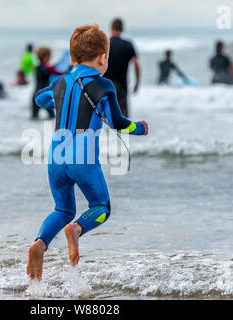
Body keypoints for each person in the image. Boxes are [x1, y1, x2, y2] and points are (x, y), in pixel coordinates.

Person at [27, 24, 149, 281]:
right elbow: (118, 123)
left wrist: (56, 103)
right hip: (82, 158)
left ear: (72, 58)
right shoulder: (104, 86)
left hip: (55, 157)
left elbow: (40, 99)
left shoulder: (61, 82)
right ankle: (77, 229)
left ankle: (39, 245)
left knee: (62, 209)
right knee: (101, 206)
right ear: (103, 58)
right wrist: (140, 128)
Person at [103, 18, 140, 117]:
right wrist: (137, 82)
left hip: (106, 86)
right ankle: (123, 133)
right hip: (122, 86)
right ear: (122, 29)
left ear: (111, 28)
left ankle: (107, 133)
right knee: (123, 118)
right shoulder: (127, 44)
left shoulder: (105, 44)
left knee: (106, 118)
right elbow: (136, 63)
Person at [31, 46, 63, 119]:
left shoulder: (37, 67)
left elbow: (52, 68)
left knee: (34, 118)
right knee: (52, 117)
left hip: (35, 95)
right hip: (44, 95)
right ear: (46, 56)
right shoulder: (47, 67)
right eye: (49, 55)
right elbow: (60, 73)